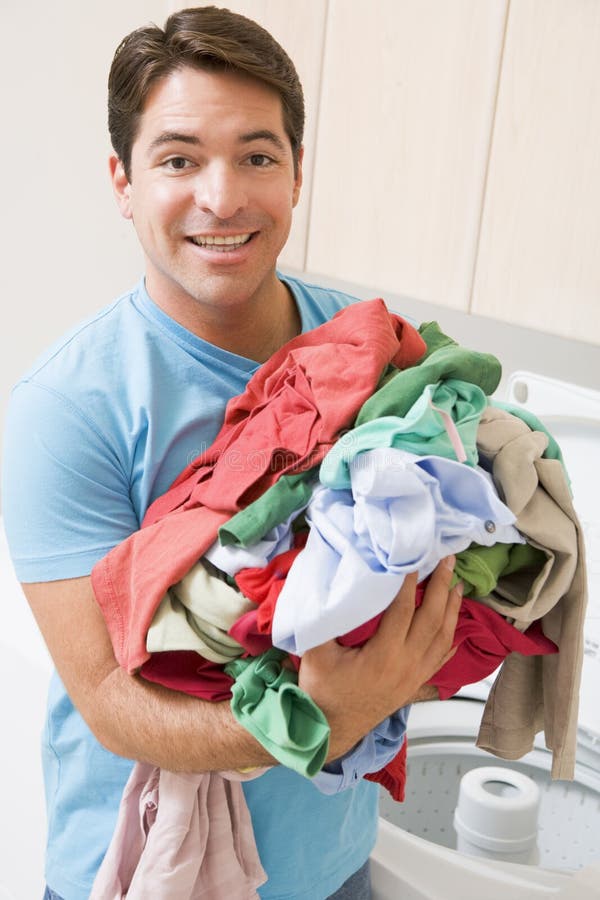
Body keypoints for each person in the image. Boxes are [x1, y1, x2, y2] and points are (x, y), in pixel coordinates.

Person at [2, 6, 462, 899]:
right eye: (179, 160)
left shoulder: (367, 344)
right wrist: (323, 718)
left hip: (336, 867)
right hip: (140, 875)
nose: (222, 198)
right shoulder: (67, 408)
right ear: (123, 181)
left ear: (297, 172)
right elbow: (111, 704)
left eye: (257, 156)